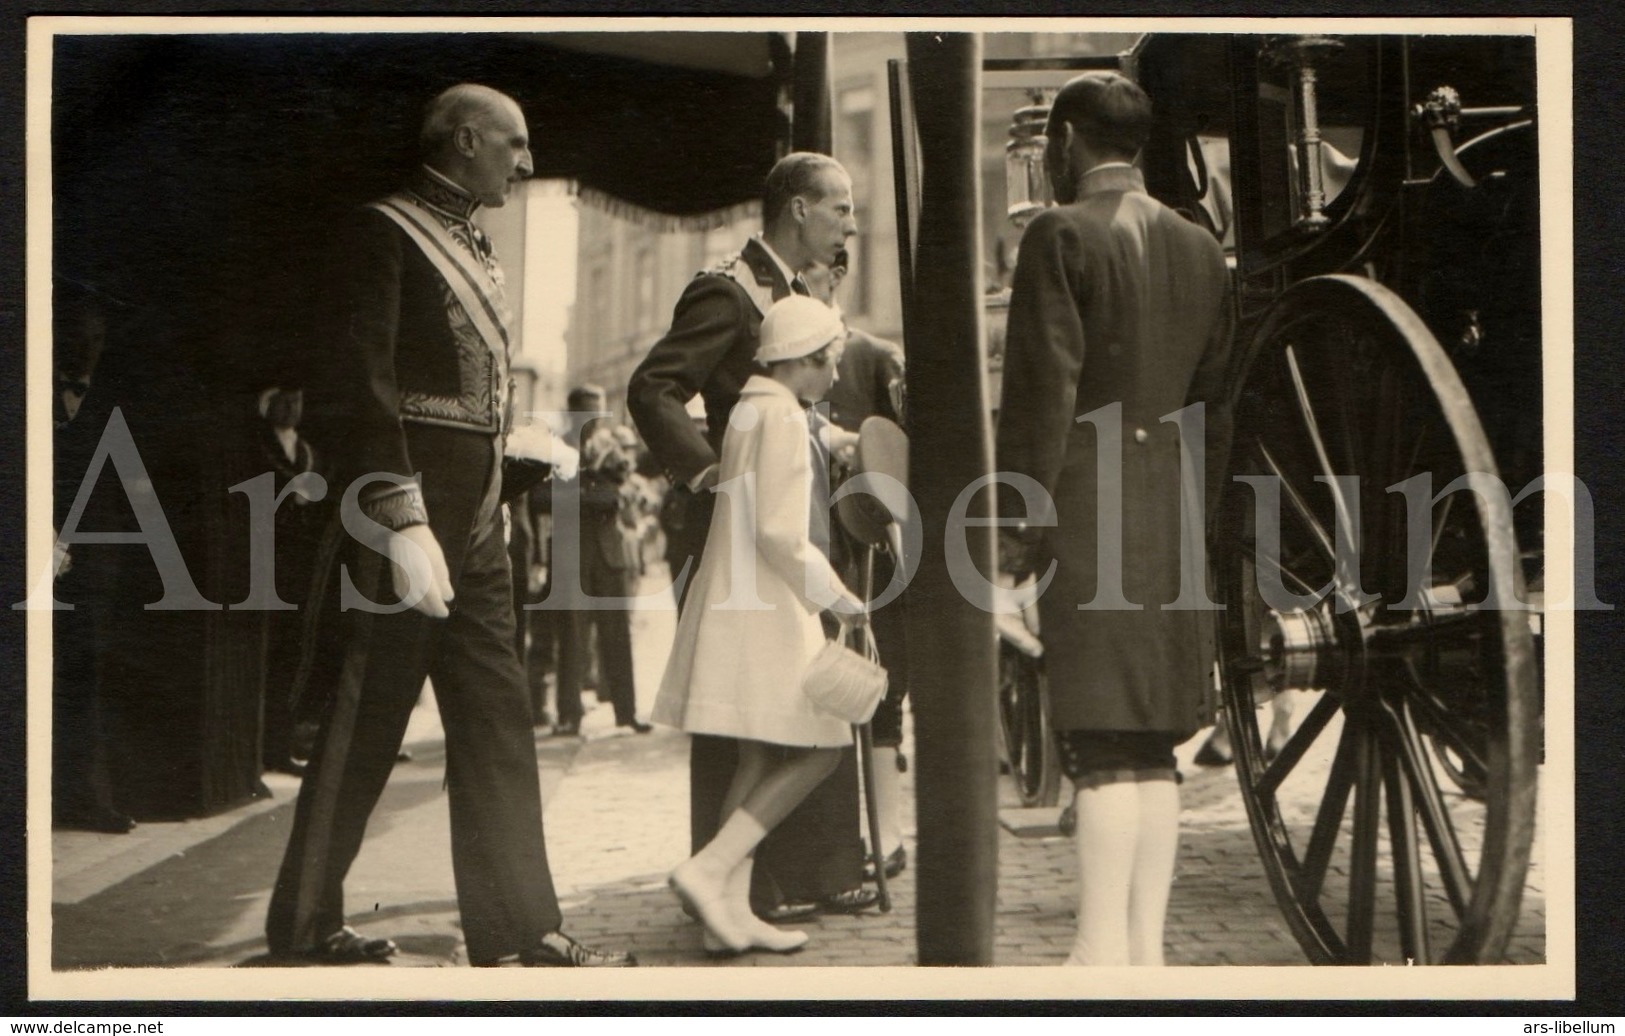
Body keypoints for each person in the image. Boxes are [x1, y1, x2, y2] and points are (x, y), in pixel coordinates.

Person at [265, 84, 634, 967]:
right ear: (466, 140)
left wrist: (516, 460)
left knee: (500, 721)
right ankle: (305, 924)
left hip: (475, 524)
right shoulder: (382, 231)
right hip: (402, 522)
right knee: (366, 723)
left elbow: (467, 407)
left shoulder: (474, 240)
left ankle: (519, 927)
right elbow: (361, 386)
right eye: (514, 143)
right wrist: (399, 516)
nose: (528, 161)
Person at [995, 72, 1232, 967]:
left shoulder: (1058, 233)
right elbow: (1214, 398)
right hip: (1170, 505)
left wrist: (1014, 540)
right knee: (1152, 743)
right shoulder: (1200, 245)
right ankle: (1144, 951)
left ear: (1064, 142)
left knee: (1097, 740)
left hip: (1086, 507)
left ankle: (1095, 953)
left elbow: (1038, 397)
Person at [629, 151, 876, 922]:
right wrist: (707, 475)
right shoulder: (727, 290)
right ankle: (741, 882)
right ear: (797, 209)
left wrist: (829, 439)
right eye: (838, 207)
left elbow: (782, 407)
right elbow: (654, 387)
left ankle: (785, 876)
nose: (850, 222)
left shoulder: (792, 294)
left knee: (787, 709)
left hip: (782, 525)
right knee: (743, 713)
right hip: (743, 531)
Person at [654, 295, 867, 955]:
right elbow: (780, 529)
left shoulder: (757, 408)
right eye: (830, 360)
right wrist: (840, 599)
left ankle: (730, 910)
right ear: (803, 361)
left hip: (742, 601)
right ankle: (710, 870)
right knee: (823, 745)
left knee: (761, 751)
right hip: (772, 606)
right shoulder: (780, 420)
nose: (835, 372)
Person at [804, 249, 911, 880]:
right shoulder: (785, 361)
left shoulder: (872, 357)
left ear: (839, 279)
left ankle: (887, 834)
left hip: (868, 548)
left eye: (818, 280)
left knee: (881, 687)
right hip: (809, 551)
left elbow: (899, 458)